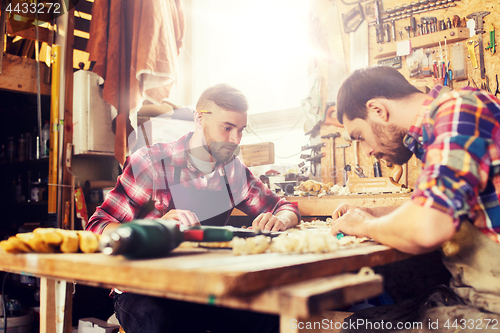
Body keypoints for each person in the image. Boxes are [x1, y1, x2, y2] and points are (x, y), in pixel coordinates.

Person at [86, 83, 300, 333]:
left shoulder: (233, 170)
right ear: (200, 118)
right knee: (160, 323)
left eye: (241, 130)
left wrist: (281, 220)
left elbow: (284, 207)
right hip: (143, 288)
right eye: (227, 128)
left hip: (203, 285)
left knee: (272, 317)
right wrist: (153, 229)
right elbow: (96, 228)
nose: (235, 140)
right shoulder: (151, 163)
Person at [330, 66, 500, 332]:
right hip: (474, 295)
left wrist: (364, 226)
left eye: (360, 137)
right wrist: (372, 213)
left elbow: (430, 225)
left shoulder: (459, 110)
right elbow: (440, 206)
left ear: (377, 110)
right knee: (361, 322)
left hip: (492, 308)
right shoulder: (434, 134)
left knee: (358, 328)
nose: (367, 151)